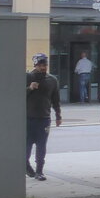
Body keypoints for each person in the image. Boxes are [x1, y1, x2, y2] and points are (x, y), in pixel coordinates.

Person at [26, 53, 62, 181]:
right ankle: (26, 166)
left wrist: (58, 115)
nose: (43, 67)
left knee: (42, 146)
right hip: (28, 119)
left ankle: (39, 171)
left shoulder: (52, 80)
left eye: (45, 65)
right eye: (41, 65)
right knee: (26, 146)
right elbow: (18, 96)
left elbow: (56, 99)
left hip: (44, 119)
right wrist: (29, 88)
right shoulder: (28, 77)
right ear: (35, 65)